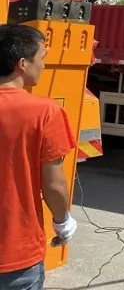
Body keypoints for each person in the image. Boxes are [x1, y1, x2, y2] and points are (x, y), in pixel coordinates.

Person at [0, 24, 77, 290]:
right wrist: (63, 221)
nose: (43, 65)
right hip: (15, 255)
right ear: (22, 63)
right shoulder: (45, 112)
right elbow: (53, 184)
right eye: (41, 57)